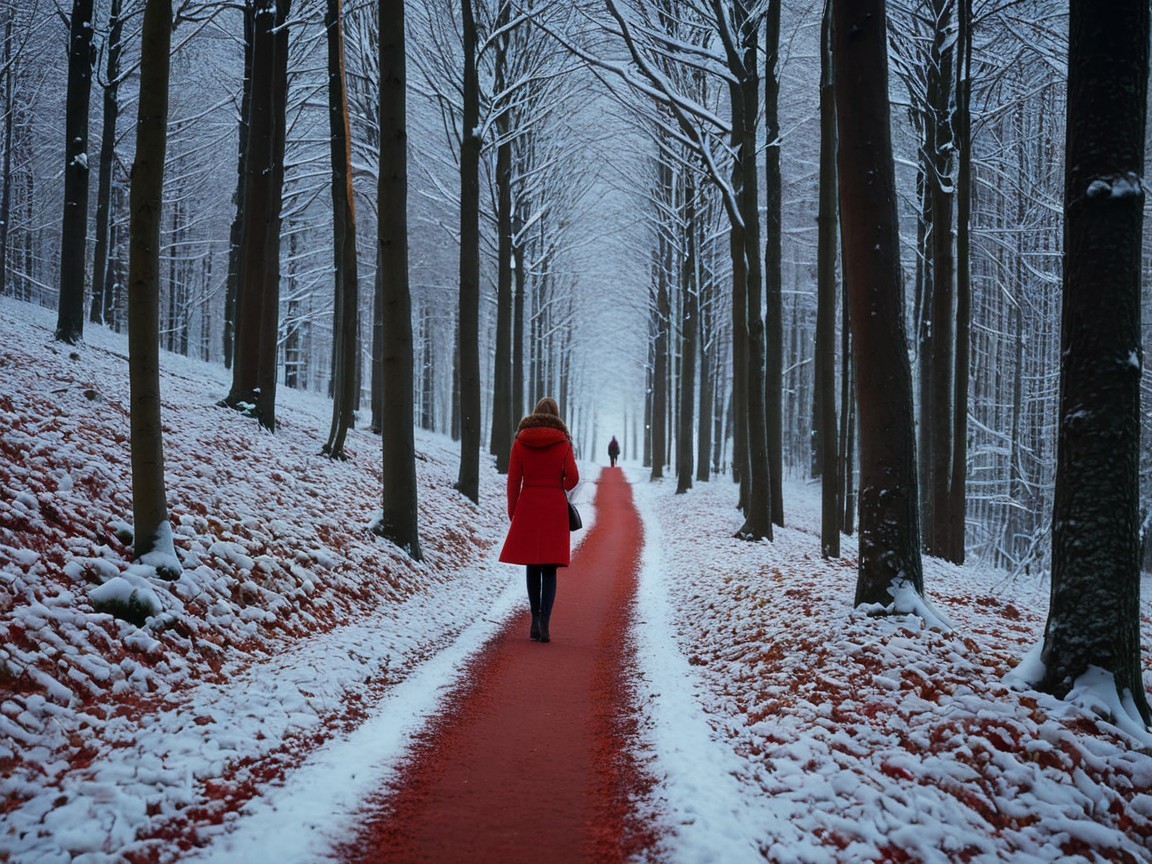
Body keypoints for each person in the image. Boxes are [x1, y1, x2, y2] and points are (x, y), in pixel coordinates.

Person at [498, 397, 578, 643]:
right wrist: (559, 485)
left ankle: (533, 619)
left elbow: (513, 480)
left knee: (532, 565)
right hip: (553, 507)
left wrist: (514, 512)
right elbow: (573, 478)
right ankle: (545, 622)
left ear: (534, 414)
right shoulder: (563, 443)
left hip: (529, 506)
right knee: (550, 568)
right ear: (556, 415)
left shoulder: (521, 441)